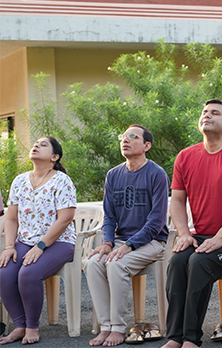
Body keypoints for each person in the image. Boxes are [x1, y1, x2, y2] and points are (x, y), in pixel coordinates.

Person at [162, 99, 222, 348]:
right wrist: (184, 234)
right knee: (178, 261)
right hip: (202, 235)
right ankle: (175, 337)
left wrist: (220, 238)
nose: (207, 115)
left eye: (215, 113)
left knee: (199, 261)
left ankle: (191, 339)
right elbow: (177, 200)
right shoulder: (185, 156)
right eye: (204, 112)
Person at [85, 125, 169, 347]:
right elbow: (109, 216)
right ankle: (105, 327)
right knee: (93, 263)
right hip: (121, 240)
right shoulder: (113, 175)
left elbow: (156, 221)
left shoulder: (157, 174)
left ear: (146, 145)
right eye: (123, 136)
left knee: (116, 264)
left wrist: (130, 245)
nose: (126, 140)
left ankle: (118, 328)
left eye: (133, 137)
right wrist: (107, 243)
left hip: (152, 241)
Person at [0, 136, 77, 345]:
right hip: (25, 242)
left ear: (54, 157)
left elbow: (65, 219)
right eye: (35, 143)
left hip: (59, 242)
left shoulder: (62, 181)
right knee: (4, 272)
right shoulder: (19, 181)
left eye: (43, 145)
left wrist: (40, 246)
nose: (36, 146)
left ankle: (32, 327)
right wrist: (9, 247)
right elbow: (12, 218)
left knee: (28, 273)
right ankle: (20, 326)